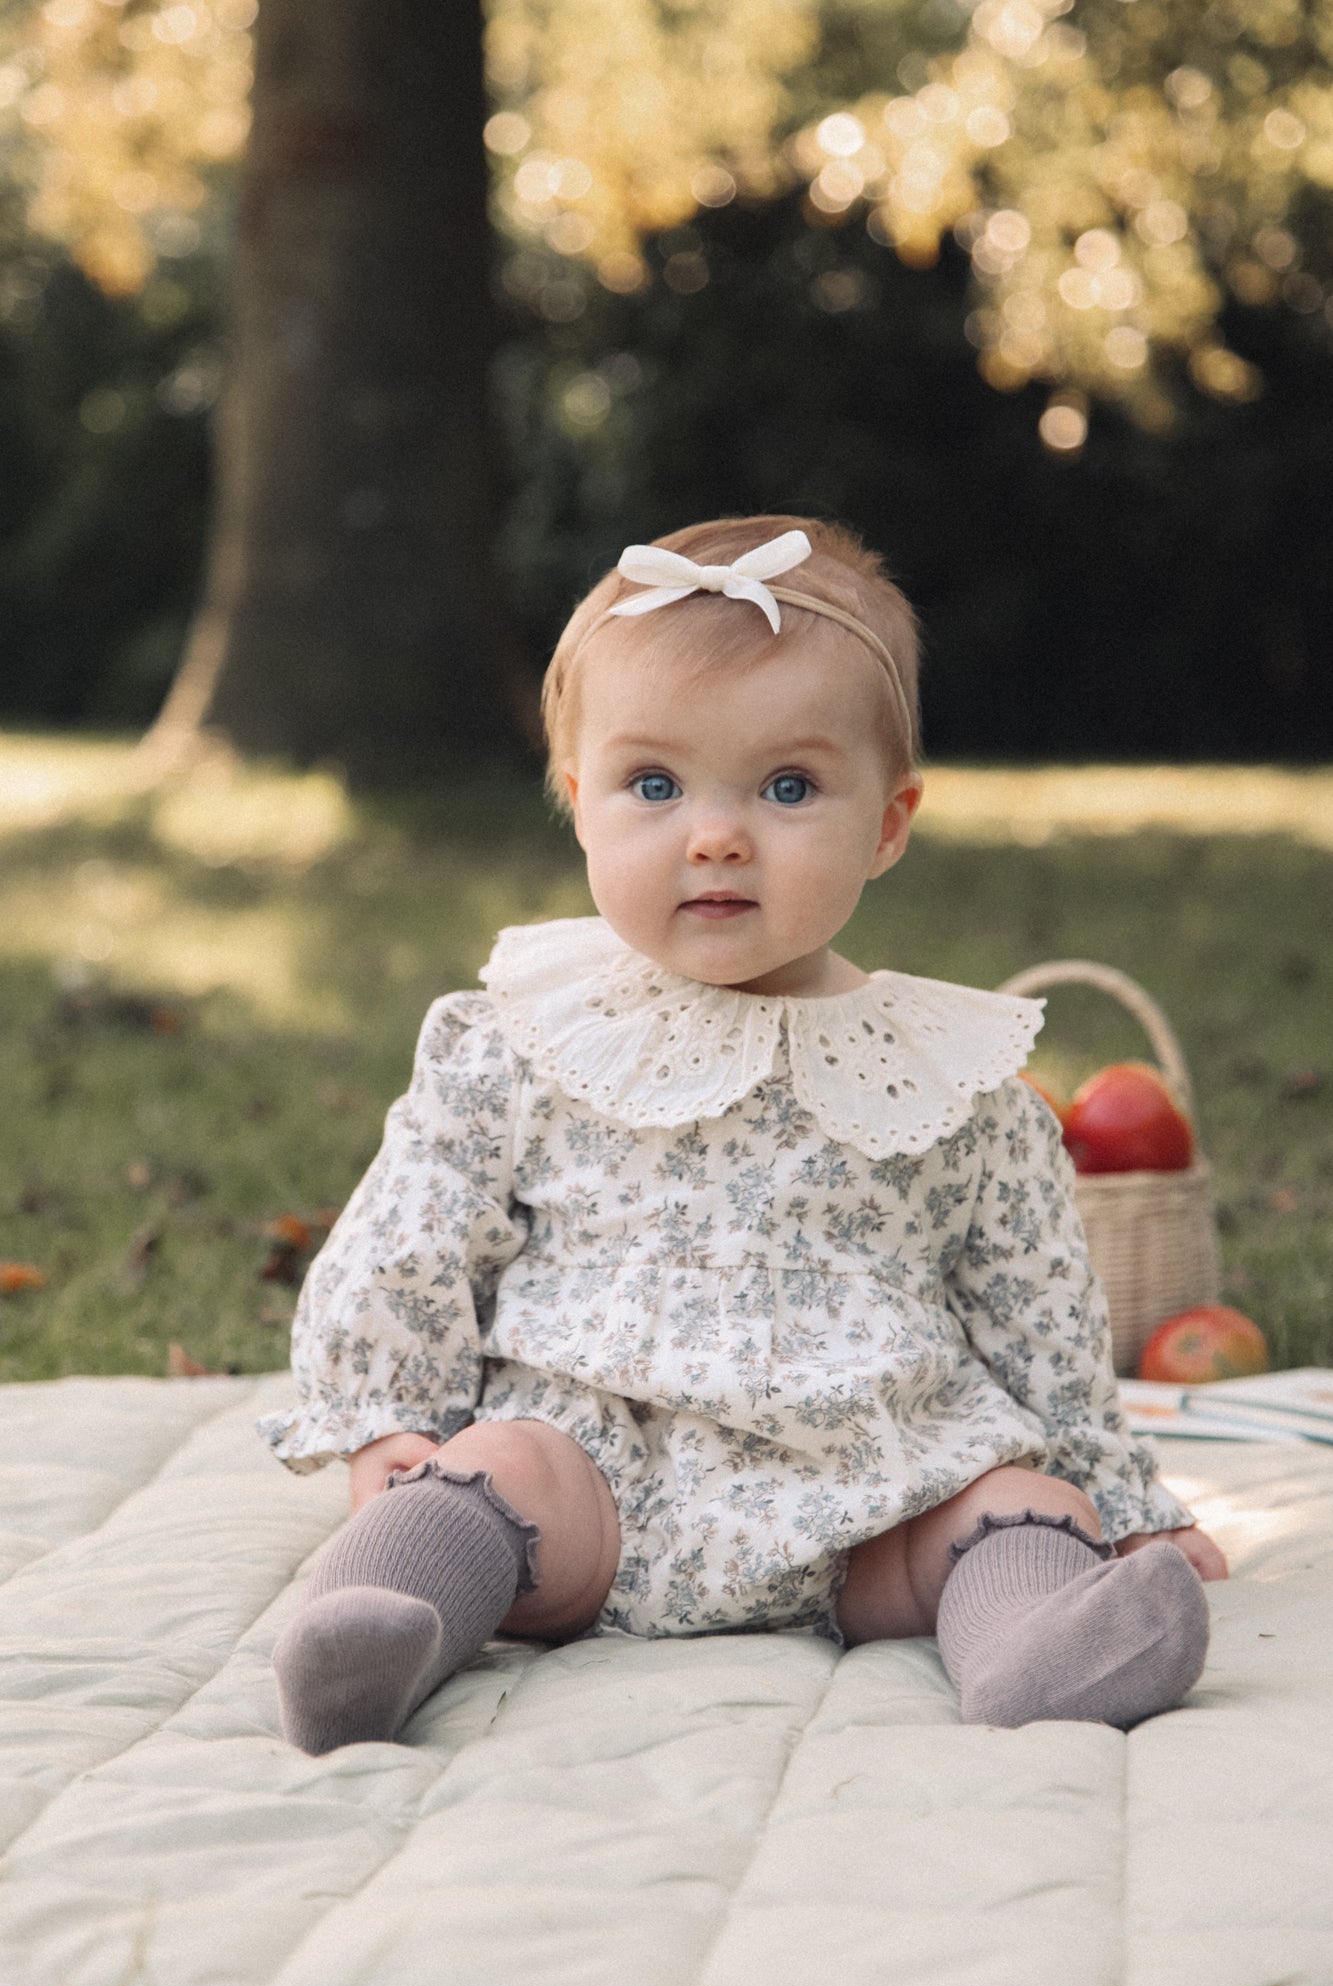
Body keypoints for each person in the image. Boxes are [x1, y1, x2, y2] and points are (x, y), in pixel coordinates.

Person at [260, 515, 1227, 1756]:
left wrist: (1116, 1497)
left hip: (876, 1491)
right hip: (599, 1467)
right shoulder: (521, 1040)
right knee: (491, 1467)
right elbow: (413, 1239)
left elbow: (1040, 1315)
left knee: (1018, 1501)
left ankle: (1040, 1649)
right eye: (654, 785)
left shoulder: (953, 1082)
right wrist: (387, 1415)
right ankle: (371, 1620)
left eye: (787, 787)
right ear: (579, 802)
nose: (715, 834)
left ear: (886, 822)